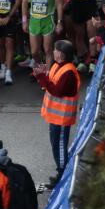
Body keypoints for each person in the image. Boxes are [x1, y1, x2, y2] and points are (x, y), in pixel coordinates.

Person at [34, 39, 81, 186]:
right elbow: (50, 84)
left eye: (55, 50)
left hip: (61, 119)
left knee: (59, 147)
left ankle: (62, 175)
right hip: (55, 117)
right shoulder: (57, 66)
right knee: (56, 145)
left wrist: (42, 78)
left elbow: (57, 91)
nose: (52, 52)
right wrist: (42, 77)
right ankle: (62, 171)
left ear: (61, 54)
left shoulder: (68, 72)